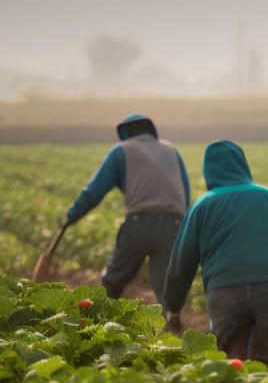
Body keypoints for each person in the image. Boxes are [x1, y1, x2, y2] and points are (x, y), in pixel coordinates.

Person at [163, 140, 268, 376]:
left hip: (226, 291)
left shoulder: (202, 205)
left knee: (231, 366)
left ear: (208, 170)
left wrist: (174, 306)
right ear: (243, 164)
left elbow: (181, 263)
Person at [64, 114, 190, 304]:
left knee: (113, 281)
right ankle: (173, 327)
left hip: (139, 223)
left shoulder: (122, 150)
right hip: (174, 224)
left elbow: (94, 192)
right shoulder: (171, 149)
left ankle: (99, 322)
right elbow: (185, 191)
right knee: (167, 289)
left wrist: (72, 216)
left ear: (125, 132)